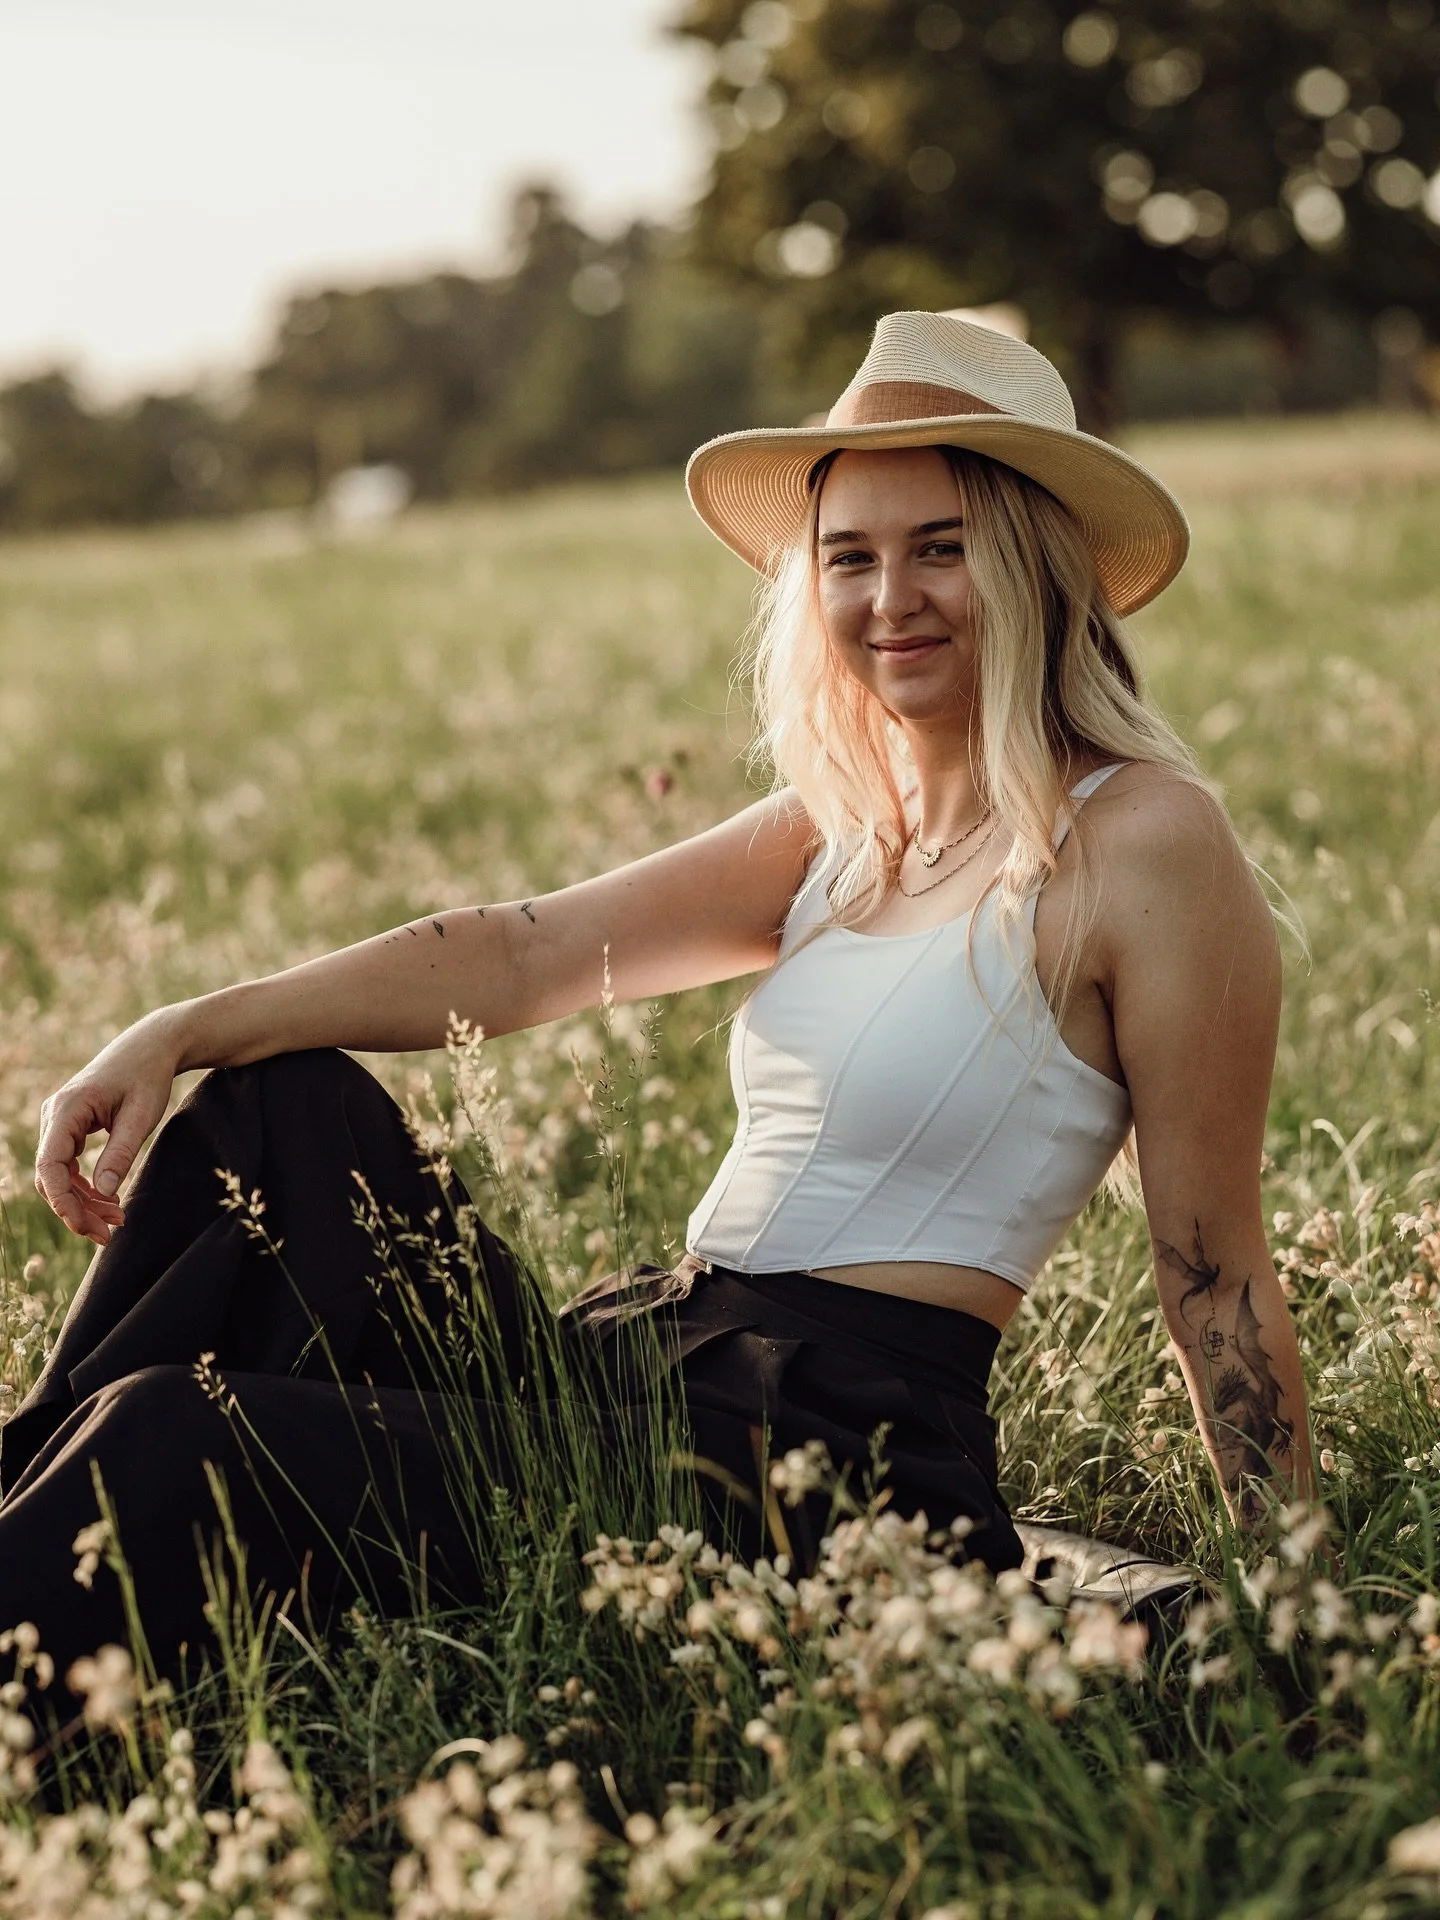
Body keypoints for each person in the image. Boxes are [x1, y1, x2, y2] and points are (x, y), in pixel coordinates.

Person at [17, 310, 1312, 1696]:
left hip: (819, 1464)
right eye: (850, 557)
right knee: (282, 1110)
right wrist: (181, 1028)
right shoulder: (845, 828)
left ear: (1034, 564)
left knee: (168, 1435)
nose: (892, 599)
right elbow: (528, 955)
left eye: (942, 547)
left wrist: (1302, 1620)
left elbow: (1214, 1270)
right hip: (637, 1372)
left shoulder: (1142, 842)